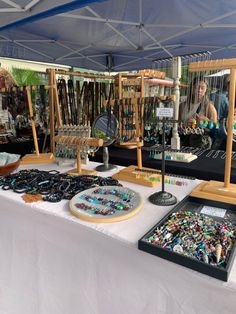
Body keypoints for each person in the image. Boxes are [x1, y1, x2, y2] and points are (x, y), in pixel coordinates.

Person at [179, 77, 217, 148]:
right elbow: (177, 128)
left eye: (202, 88)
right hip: (185, 144)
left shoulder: (209, 107)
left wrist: (204, 123)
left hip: (200, 145)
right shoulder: (182, 106)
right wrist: (184, 125)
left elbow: (216, 130)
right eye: (197, 87)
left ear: (206, 90)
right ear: (192, 88)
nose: (199, 90)